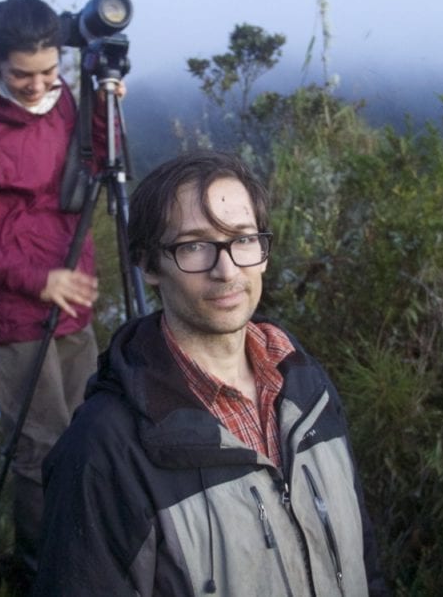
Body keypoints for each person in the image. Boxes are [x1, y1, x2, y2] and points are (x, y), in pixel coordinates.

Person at [33, 150, 388, 596]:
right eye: (195, 246)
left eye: (242, 240)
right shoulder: (103, 450)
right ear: (148, 266)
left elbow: (361, 558)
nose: (227, 270)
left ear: (262, 252)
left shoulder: (305, 386)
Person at [0, 0, 120, 585]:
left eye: (47, 71)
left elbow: (101, 162)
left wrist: (108, 102)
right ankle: (46, 570)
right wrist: (38, 279)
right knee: (41, 451)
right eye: (21, 75)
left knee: (90, 432)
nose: (37, 85)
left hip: (74, 304)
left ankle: (95, 552)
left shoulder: (66, 103)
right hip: (16, 317)